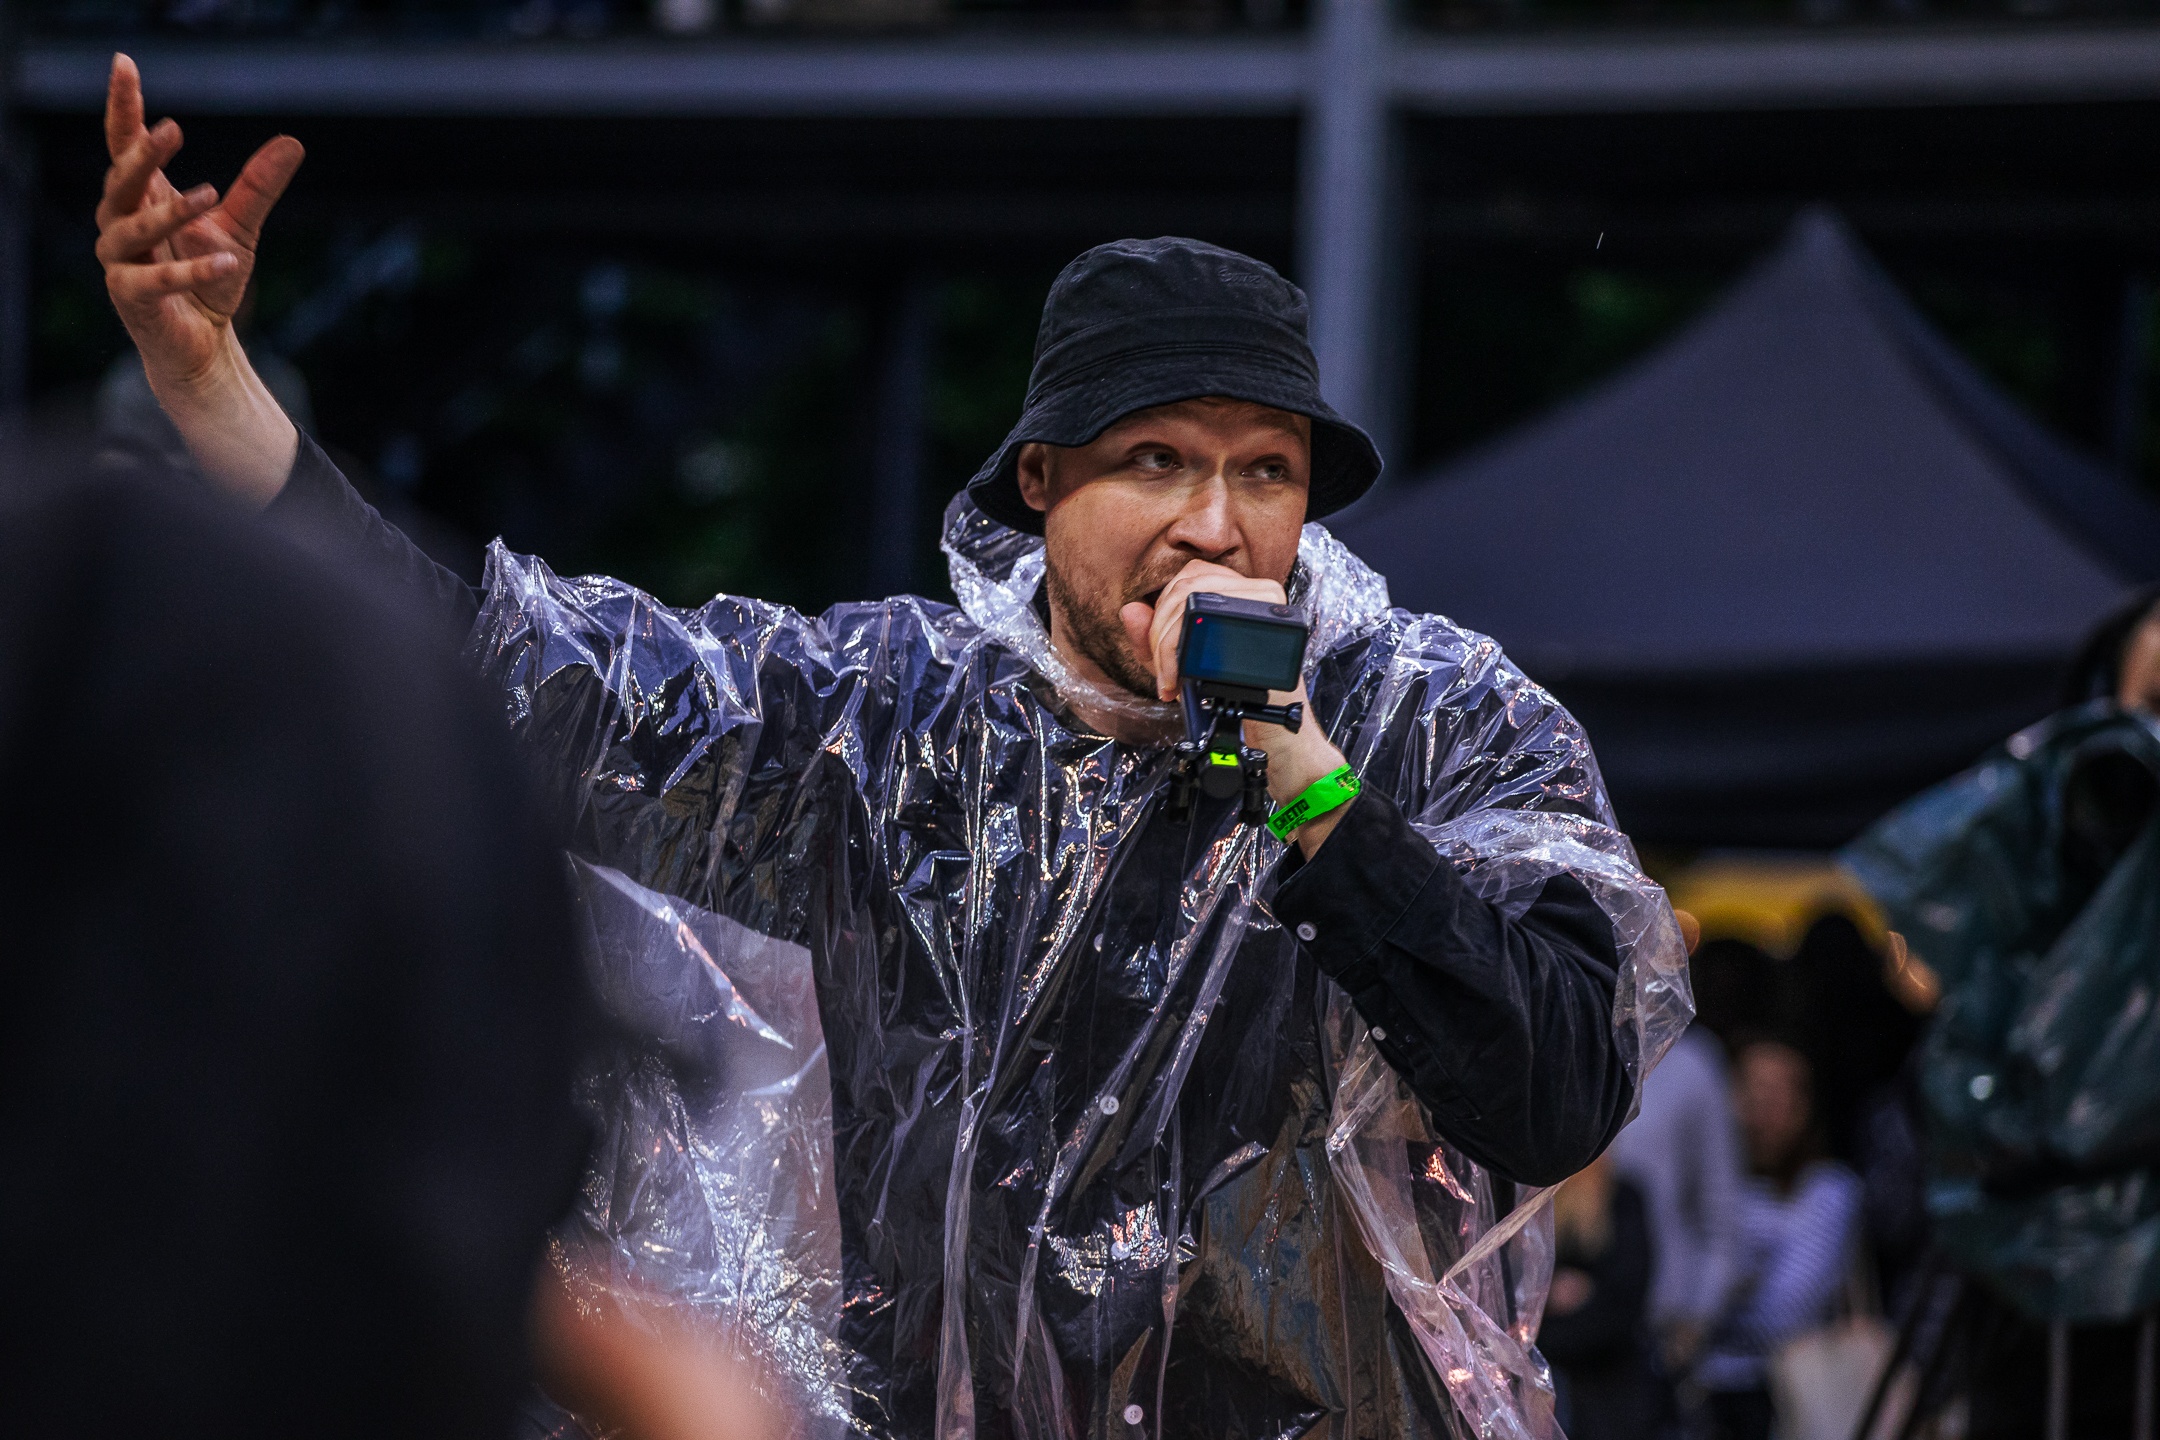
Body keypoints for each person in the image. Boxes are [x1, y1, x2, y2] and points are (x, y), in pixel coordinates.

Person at [90, 53, 1691, 1437]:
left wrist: (1299, 769)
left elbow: (1554, 1090)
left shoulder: (1428, 722)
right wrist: (209, 382)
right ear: (1042, 484)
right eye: (1156, 460)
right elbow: (496, 669)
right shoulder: (885, 725)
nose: (1217, 524)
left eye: (1265, 472)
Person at [1695, 1040, 1862, 1440]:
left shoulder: (1828, 1190)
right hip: (1697, 1399)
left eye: (1776, 1093)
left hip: (1782, 1397)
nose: (1760, 1110)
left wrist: (1694, 1320)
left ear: (1805, 1107)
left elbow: (1783, 1316)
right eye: (1749, 1091)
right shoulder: (1709, 1189)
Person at [1607, 1022, 1744, 1382]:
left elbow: (1719, 1207)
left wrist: (1697, 1322)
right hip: (1553, 1322)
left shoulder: (1690, 1064)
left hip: (1654, 1328)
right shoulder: (1560, 1042)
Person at [1537, 1154, 1673, 1440]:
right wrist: (1554, 1294)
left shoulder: (1621, 1198)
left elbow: (1623, 1305)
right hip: (1544, 1387)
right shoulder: (1528, 1202)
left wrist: (1542, 1305)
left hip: (1609, 1396)